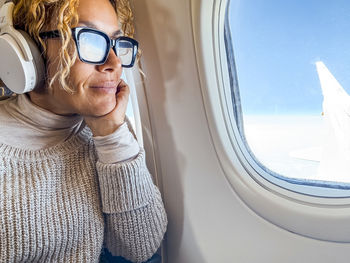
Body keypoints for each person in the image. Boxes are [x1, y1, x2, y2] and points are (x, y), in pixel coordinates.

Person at [0, 0, 167, 262]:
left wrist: (111, 134)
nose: (113, 63)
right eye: (90, 41)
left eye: (115, 43)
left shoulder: (110, 132)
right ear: (31, 51)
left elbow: (140, 248)